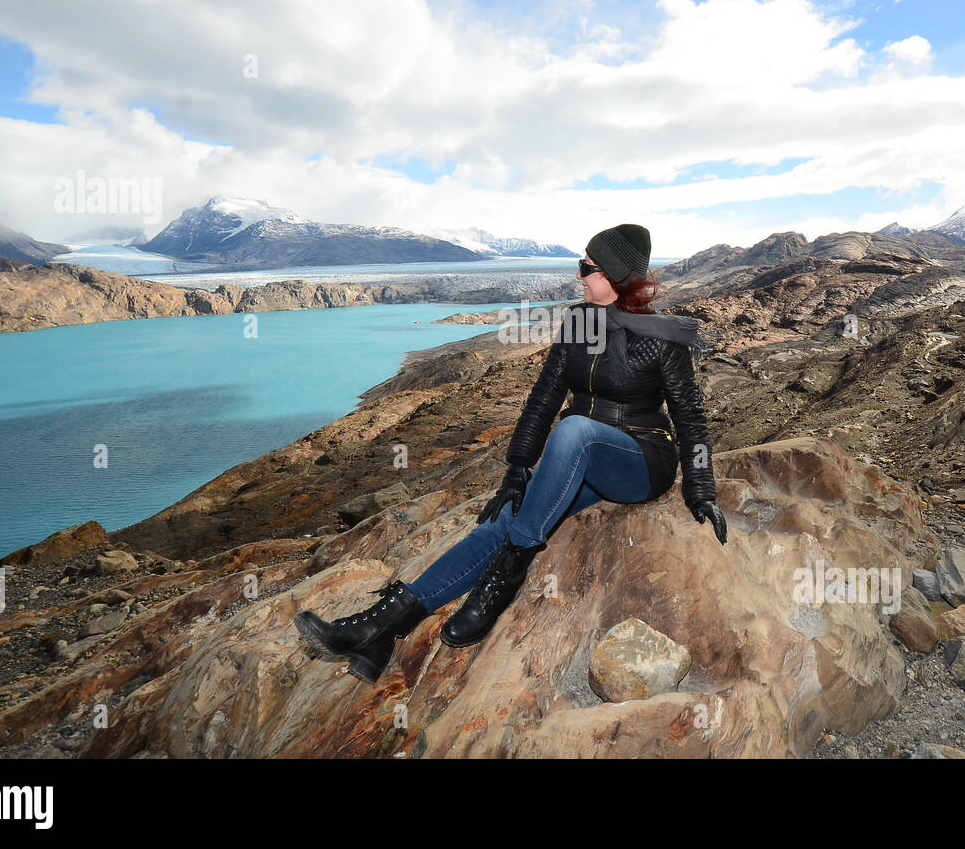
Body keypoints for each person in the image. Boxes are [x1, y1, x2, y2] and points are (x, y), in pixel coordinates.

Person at [294, 223, 727, 683]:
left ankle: (507, 574)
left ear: (616, 275)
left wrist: (701, 490)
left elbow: (691, 420)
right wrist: (518, 471)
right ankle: (383, 626)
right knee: (507, 516)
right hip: (580, 457)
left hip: (639, 462)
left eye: (587, 266)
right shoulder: (578, 324)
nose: (578, 275)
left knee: (576, 429)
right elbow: (543, 398)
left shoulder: (663, 337)